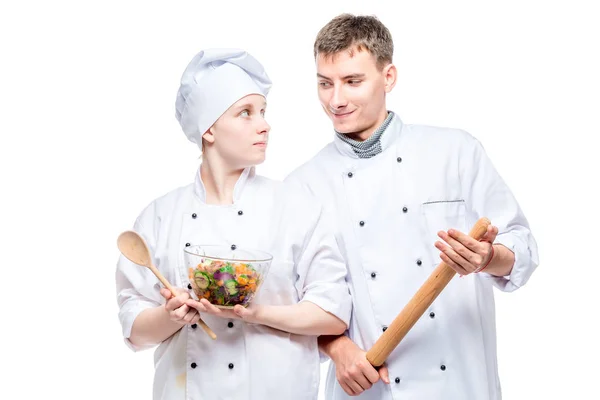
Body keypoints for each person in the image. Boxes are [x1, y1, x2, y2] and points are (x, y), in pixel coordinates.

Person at [285, 14, 539, 400]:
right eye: (325, 84)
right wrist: (337, 348)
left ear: (388, 77)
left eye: (352, 81)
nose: (335, 100)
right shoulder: (302, 186)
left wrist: (486, 257)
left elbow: (523, 249)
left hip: (459, 382)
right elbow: (294, 302)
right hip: (371, 386)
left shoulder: (455, 151)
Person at [115, 48, 352, 400]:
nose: (264, 124)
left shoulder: (296, 207)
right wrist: (172, 315)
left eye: (263, 112)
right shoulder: (160, 216)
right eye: (246, 113)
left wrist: (255, 313)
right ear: (208, 130)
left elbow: (333, 313)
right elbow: (135, 330)